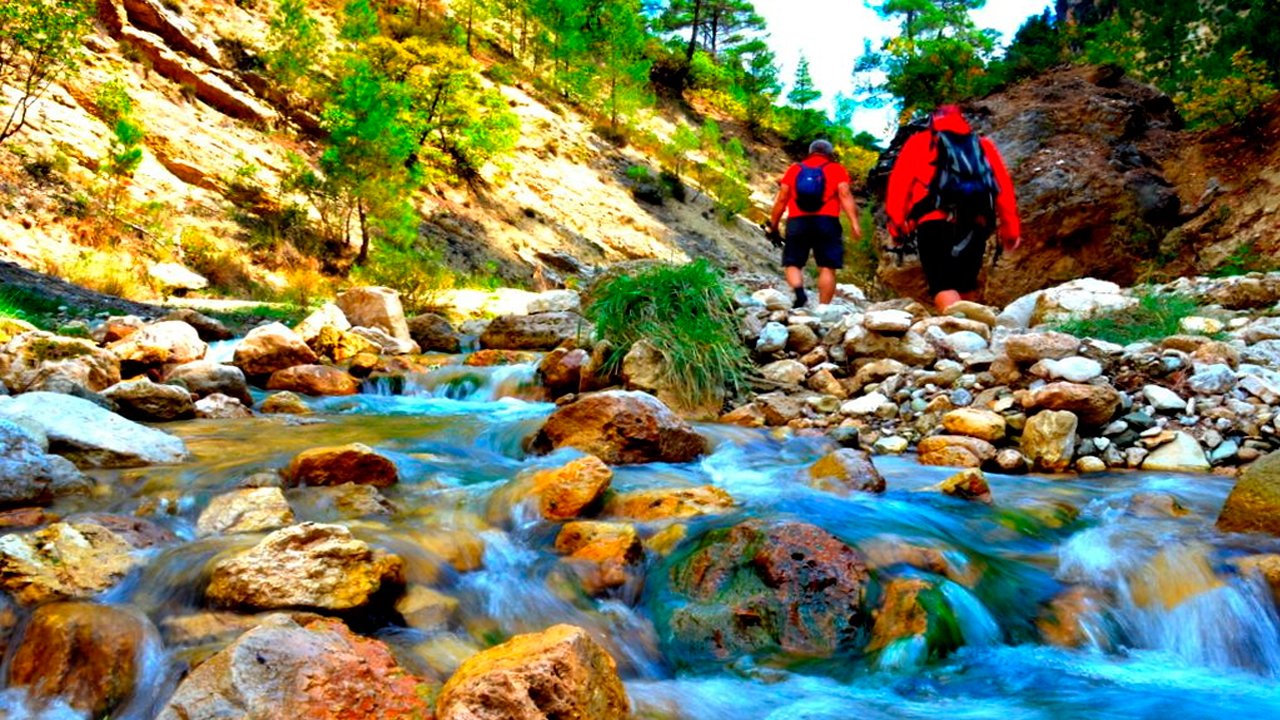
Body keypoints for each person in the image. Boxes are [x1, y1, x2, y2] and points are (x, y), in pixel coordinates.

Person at [885, 105, 1022, 313]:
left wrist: (897, 226)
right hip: (975, 224)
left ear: (932, 121)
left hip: (933, 222)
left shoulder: (921, 142)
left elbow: (899, 186)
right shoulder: (983, 145)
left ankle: (960, 338)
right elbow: (1003, 189)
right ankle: (974, 337)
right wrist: (1010, 230)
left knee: (943, 285)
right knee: (965, 286)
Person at [765, 139, 862, 308]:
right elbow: (845, 195)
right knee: (827, 266)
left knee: (793, 262)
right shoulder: (836, 169)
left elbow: (782, 199)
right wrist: (854, 222)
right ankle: (823, 310)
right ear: (830, 154)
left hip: (797, 221)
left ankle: (799, 293)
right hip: (827, 222)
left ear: (810, 152)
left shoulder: (795, 169)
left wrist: (773, 224)